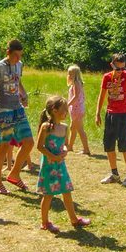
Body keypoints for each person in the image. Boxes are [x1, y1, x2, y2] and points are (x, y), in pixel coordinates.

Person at [36, 96, 91, 232]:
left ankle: (74, 219)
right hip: (49, 165)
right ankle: (44, 222)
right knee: (48, 194)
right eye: (64, 110)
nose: (67, 112)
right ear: (54, 110)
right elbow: (39, 146)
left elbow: (65, 145)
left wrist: (65, 151)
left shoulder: (65, 127)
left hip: (60, 165)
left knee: (67, 191)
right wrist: (53, 156)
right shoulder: (46, 127)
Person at [0, 40, 35, 195]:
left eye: (20, 56)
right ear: (8, 52)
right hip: (3, 110)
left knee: (28, 142)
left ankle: (14, 174)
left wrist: (24, 94)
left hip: (18, 109)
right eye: (16, 55)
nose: (18, 59)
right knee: (5, 145)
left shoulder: (19, 65)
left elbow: (18, 81)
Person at [95, 53, 126, 185]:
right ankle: (114, 174)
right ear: (112, 65)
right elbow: (101, 96)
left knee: (124, 144)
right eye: (118, 68)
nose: (121, 71)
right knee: (108, 144)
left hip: (124, 113)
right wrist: (97, 113)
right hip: (111, 113)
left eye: (123, 68)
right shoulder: (107, 77)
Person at [64, 65, 92, 156]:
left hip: (77, 109)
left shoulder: (76, 83)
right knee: (73, 128)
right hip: (76, 109)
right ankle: (70, 146)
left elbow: (75, 97)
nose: (69, 75)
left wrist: (67, 104)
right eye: (68, 73)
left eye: (71, 74)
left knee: (80, 130)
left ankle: (86, 149)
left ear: (76, 74)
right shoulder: (76, 83)